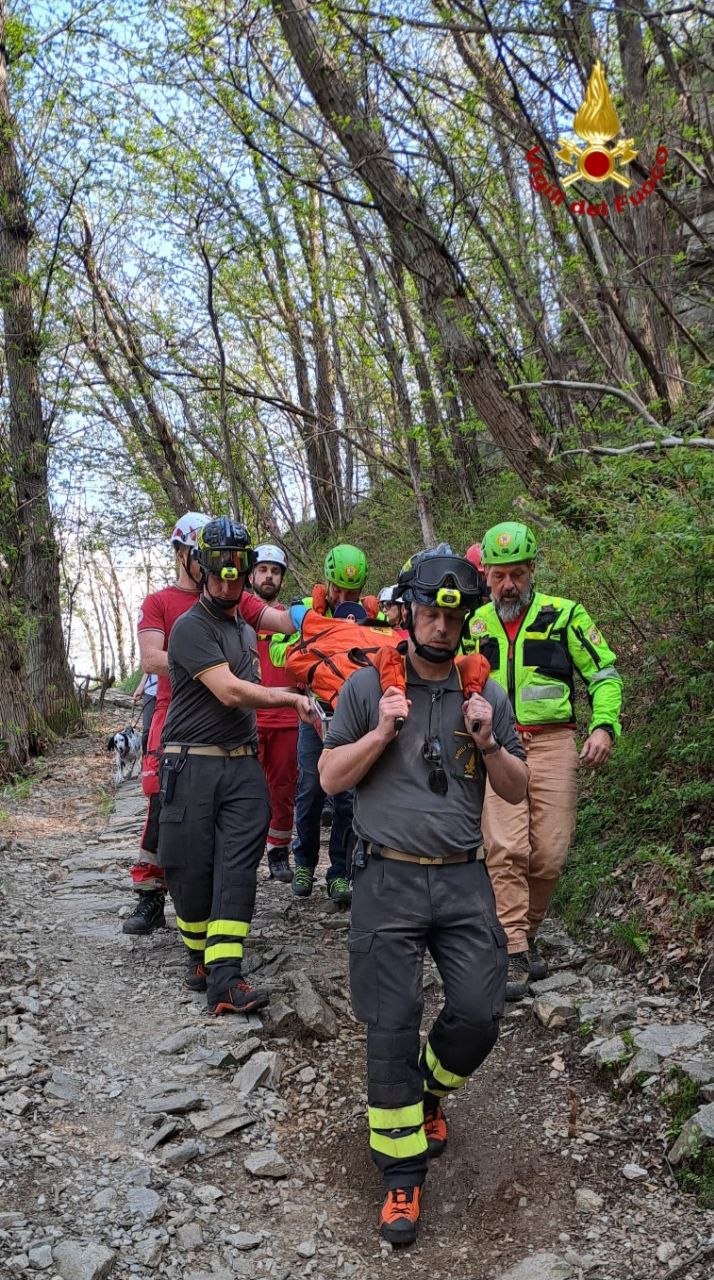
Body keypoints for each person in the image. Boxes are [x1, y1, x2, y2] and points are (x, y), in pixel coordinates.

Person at [319, 546, 527, 1245]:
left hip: (464, 875)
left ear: (466, 617)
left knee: (478, 1012)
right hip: (387, 875)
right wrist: (382, 729)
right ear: (407, 610)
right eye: (431, 609)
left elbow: (517, 788)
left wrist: (490, 743)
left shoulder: (485, 693)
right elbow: (328, 778)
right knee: (390, 1025)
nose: (441, 623)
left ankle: (430, 1090)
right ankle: (401, 1179)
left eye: (454, 611)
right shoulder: (366, 688)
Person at [155, 517, 311, 1014]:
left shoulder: (244, 625)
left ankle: (227, 976)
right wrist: (288, 700)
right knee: (192, 875)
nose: (227, 582)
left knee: (238, 868)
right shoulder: (189, 628)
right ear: (200, 568)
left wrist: (314, 624)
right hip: (191, 765)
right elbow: (230, 691)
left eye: (235, 573)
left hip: (243, 767)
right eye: (218, 572)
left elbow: (284, 628)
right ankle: (199, 955)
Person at [124, 512, 299, 936]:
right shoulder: (161, 603)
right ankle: (150, 896)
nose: (217, 572)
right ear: (185, 556)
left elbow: (278, 620)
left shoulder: (234, 594)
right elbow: (150, 659)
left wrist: (322, 610)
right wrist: (205, 665)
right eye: (197, 556)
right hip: (174, 711)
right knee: (161, 805)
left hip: (231, 719)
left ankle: (216, 914)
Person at [468, 521, 623, 1001]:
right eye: (499, 576)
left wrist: (604, 725)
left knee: (550, 854)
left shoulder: (565, 615)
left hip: (555, 743)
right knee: (505, 847)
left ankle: (526, 934)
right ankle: (512, 948)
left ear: (532, 570)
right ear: (487, 576)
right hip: (496, 744)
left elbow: (604, 674)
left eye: (517, 573)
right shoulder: (473, 625)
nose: (508, 584)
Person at [274, 543, 371, 907]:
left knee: (345, 795)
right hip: (313, 711)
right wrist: (313, 641)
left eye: (353, 592)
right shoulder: (304, 611)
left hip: (352, 713)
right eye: (339, 590)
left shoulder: (368, 613)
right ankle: (303, 864)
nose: (345, 597)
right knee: (310, 788)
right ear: (327, 583)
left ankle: (340, 874)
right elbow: (276, 652)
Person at [250, 544, 299, 884]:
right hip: (245, 719)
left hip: (285, 718)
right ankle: (244, 853)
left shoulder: (292, 620)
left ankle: (279, 852)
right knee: (246, 793)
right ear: (250, 574)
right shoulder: (235, 620)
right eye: (263, 569)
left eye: (275, 571)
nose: (269, 576)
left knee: (283, 789)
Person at [133, 671, 157, 756]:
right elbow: (148, 668)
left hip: (170, 692)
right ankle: (143, 758)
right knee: (147, 729)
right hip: (151, 692)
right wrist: (140, 687)